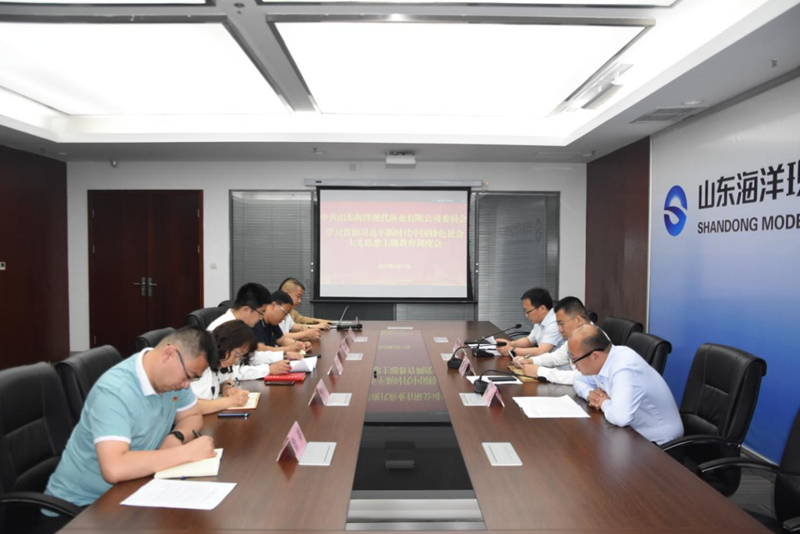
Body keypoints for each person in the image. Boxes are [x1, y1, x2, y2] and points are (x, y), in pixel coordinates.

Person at [45, 326, 219, 508]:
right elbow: (114, 468)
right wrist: (186, 453)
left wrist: (176, 437)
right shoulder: (115, 391)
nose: (186, 385)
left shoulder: (171, 379)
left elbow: (192, 415)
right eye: (188, 376)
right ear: (169, 354)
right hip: (83, 505)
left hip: (134, 487)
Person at [570, 324, 683, 445]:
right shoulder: (602, 361)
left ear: (595, 356)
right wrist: (590, 395)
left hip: (659, 441)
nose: (573, 364)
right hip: (631, 432)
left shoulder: (624, 367)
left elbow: (621, 418)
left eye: (575, 359)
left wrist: (602, 402)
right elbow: (578, 381)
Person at [210, 283, 293, 376]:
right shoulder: (222, 329)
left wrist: (283, 355)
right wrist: (268, 369)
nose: (262, 317)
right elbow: (231, 372)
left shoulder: (241, 326)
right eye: (261, 312)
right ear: (246, 310)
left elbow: (252, 357)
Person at [513, 296, 593, 385]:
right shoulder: (576, 337)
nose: (560, 329)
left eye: (561, 324)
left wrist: (540, 372)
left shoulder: (594, 340)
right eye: (558, 324)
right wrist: (531, 360)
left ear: (578, 320)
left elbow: (582, 377)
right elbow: (556, 357)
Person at [192, 320, 257, 415]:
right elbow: (189, 407)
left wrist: (226, 386)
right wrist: (230, 402)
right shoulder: (199, 363)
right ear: (225, 344)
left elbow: (225, 379)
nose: (237, 360)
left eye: (241, 356)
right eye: (238, 354)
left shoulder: (219, 361)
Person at [497, 287, 564, 358]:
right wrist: (511, 344)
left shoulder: (555, 322)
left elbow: (542, 351)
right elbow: (529, 341)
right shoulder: (540, 320)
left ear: (542, 309)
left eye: (528, 311)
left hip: (557, 364)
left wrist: (511, 350)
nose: (526, 315)